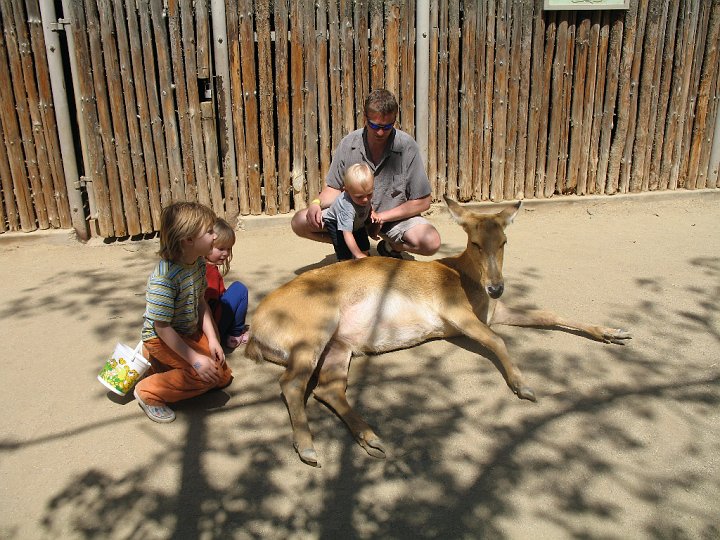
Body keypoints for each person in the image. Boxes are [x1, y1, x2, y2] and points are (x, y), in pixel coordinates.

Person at [291, 88, 441, 258]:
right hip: (355, 218)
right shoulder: (348, 144)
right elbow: (333, 188)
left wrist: (381, 217)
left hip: (392, 218)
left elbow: (423, 201)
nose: (380, 132)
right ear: (365, 118)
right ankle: (350, 243)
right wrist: (316, 203)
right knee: (300, 222)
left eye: (387, 127)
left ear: (395, 121)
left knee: (431, 242)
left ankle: (392, 248)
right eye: (374, 125)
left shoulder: (407, 146)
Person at [134, 202, 233, 423]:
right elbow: (162, 327)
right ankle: (149, 391)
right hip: (160, 338)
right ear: (188, 239)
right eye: (209, 232)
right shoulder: (164, 279)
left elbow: (201, 304)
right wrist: (195, 359)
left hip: (185, 332)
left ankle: (156, 364)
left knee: (222, 376)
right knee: (206, 377)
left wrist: (214, 339)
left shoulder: (197, 263)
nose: (214, 238)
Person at [205, 218, 250, 347]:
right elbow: (210, 305)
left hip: (206, 328)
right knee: (239, 289)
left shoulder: (197, 266)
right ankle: (235, 334)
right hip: (212, 327)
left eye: (229, 249)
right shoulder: (209, 272)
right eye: (220, 249)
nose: (226, 253)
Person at [322, 163, 379, 260]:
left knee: (364, 244)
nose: (365, 199)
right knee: (344, 250)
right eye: (360, 196)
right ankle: (346, 263)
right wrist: (357, 254)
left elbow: (368, 204)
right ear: (347, 191)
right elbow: (347, 233)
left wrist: (372, 212)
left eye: (369, 194)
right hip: (336, 223)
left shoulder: (362, 196)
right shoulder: (347, 208)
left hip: (357, 221)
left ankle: (363, 257)